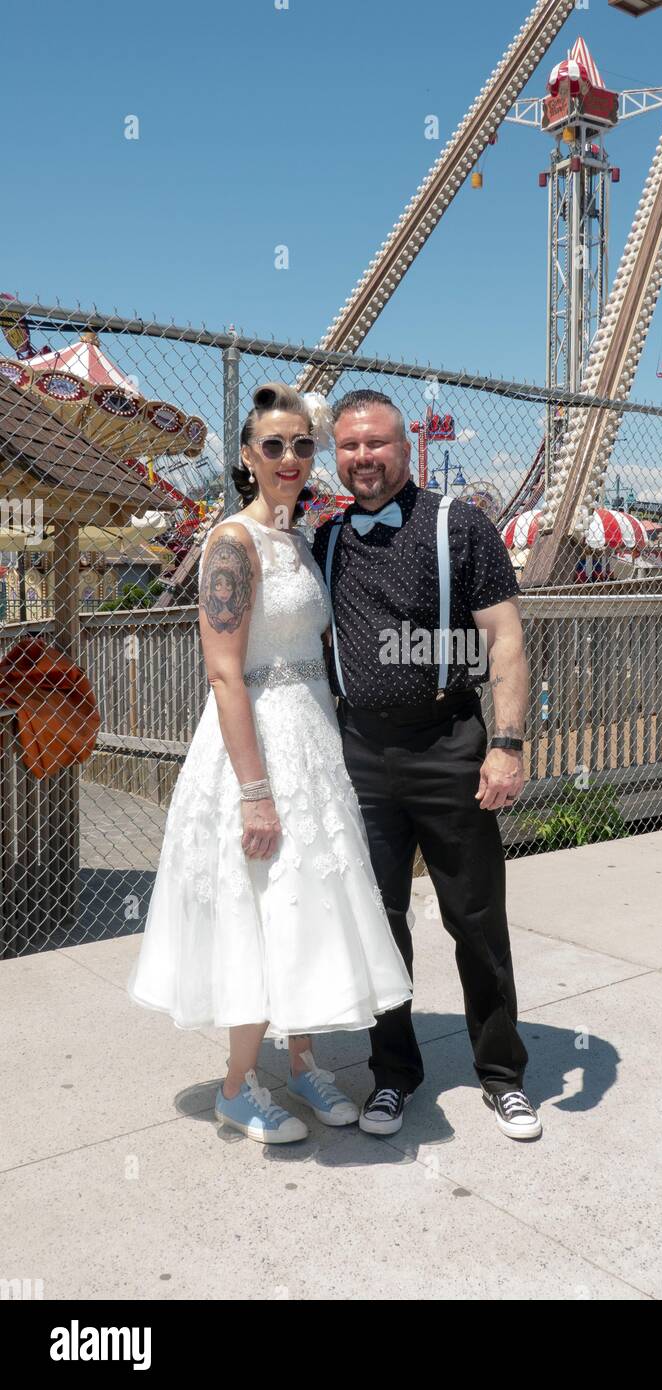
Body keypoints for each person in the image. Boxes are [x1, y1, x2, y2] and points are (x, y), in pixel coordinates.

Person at [128, 383, 413, 1143]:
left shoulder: (299, 539)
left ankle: (302, 1060)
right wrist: (254, 791)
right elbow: (224, 672)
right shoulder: (233, 542)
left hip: (312, 737)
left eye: (302, 444)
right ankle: (235, 1085)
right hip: (254, 744)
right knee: (260, 902)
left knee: (306, 903)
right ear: (249, 457)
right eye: (274, 446)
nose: (290, 459)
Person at [311, 389, 540, 1141]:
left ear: (406, 448)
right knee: (380, 924)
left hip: (449, 747)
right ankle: (393, 1076)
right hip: (361, 756)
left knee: (476, 920)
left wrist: (506, 744)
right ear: (334, 454)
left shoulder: (459, 524)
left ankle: (503, 1074)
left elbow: (504, 639)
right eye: (348, 446)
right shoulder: (329, 538)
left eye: (376, 443)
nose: (363, 458)